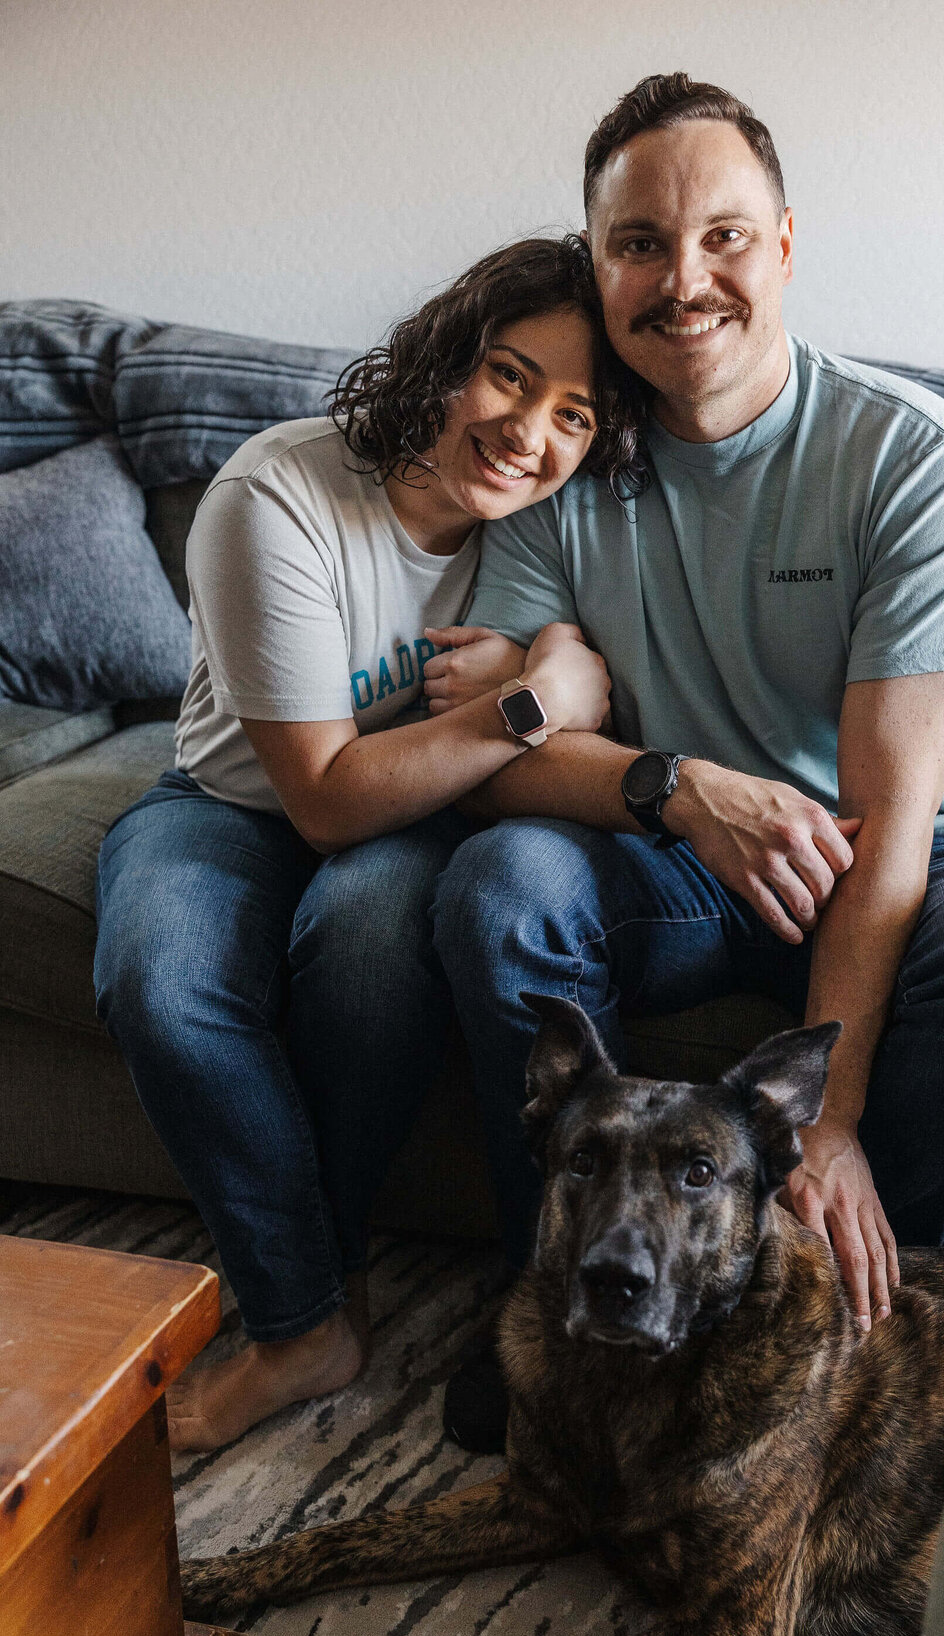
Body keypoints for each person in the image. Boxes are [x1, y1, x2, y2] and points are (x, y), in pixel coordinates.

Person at [431, 75, 944, 1451]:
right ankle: (553, 1302)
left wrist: (830, 1124)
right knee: (494, 886)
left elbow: (893, 818)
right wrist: (673, 785)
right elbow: (486, 761)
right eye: (639, 245)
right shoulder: (560, 455)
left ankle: (832, 1314)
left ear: (786, 245)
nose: (685, 281)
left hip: (889, 860)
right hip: (660, 862)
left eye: (724, 237)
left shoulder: (915, 464)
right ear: (599, 260)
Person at [94, 236, 642, 1452]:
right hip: (230, 805)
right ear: (447, 357)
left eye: (573, 415)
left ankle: (304, 1284)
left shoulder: (555, 524)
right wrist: (535, 700)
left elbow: (600, 666)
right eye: (507, 375)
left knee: (377, 930)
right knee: (157, 975)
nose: (528, 433)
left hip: (431, 818)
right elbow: (327, 800)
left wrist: (553, 668)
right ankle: (303, 1327)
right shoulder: (274, 498)